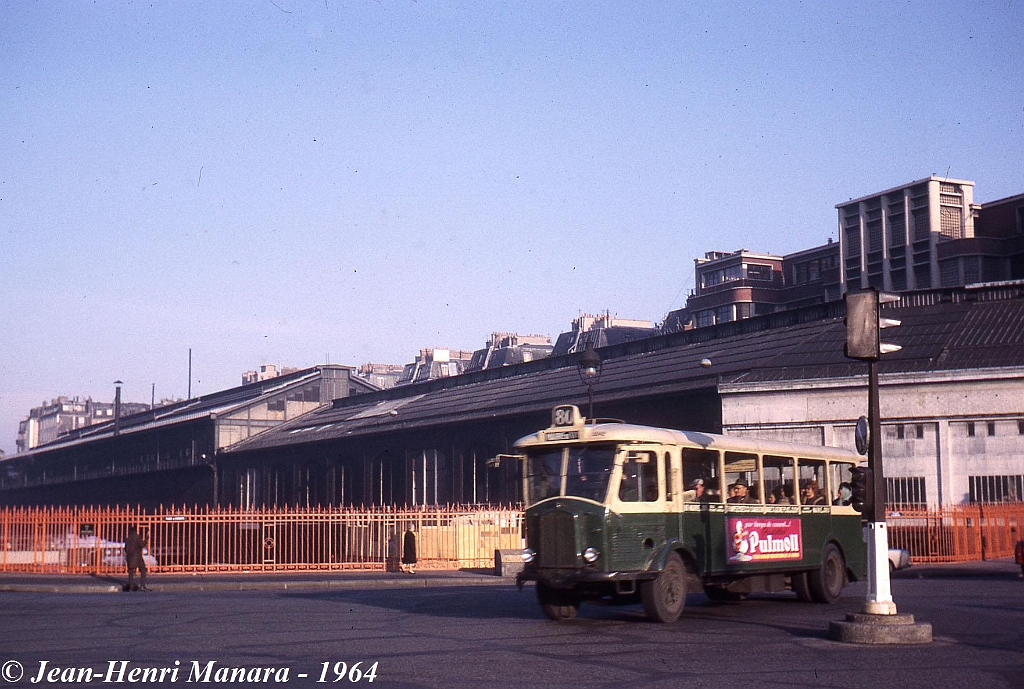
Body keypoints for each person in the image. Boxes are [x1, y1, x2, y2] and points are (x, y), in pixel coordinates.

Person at [124, 525, 148, 592]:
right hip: (137, 557)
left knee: (130, 572)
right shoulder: (137, 537)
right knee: (143, 570)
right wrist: (146, 540)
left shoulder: (128, 538)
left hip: (129, 557)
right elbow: (141, 545)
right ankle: (142, 585)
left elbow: (125, 549)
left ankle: (131, 587)